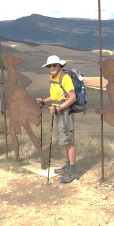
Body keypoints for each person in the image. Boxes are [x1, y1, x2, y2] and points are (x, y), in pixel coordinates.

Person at [37, 55, 79, 183]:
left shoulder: (64, 77)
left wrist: (59, 108)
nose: (51, 68)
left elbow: (72, 97)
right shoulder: (54, 78)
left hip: (64, 113)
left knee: (68, 141)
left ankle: (73, 171)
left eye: (54, 65)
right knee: (62, 141)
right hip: (58, 113)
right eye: (49, 66)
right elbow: (55, 96)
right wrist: (44, 101)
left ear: (60, 65)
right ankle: (67, 166)